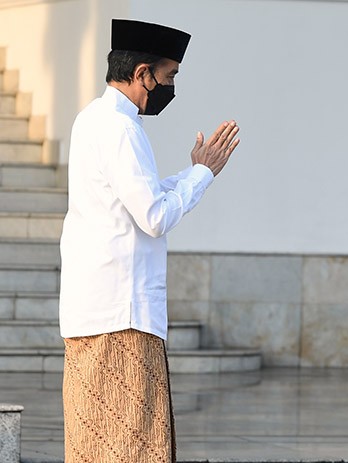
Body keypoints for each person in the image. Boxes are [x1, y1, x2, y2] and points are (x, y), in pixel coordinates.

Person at [59, 19, 240, 462]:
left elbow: (138, 197)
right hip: (123, 315)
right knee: (133, 445)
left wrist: (194, 171)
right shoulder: (120, 129)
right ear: (143, 73)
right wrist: (202, 175)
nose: (170, 86)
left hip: (96, 309)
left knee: (92, 443)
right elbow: (155, 217)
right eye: (169, 75)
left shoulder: (93, 119)